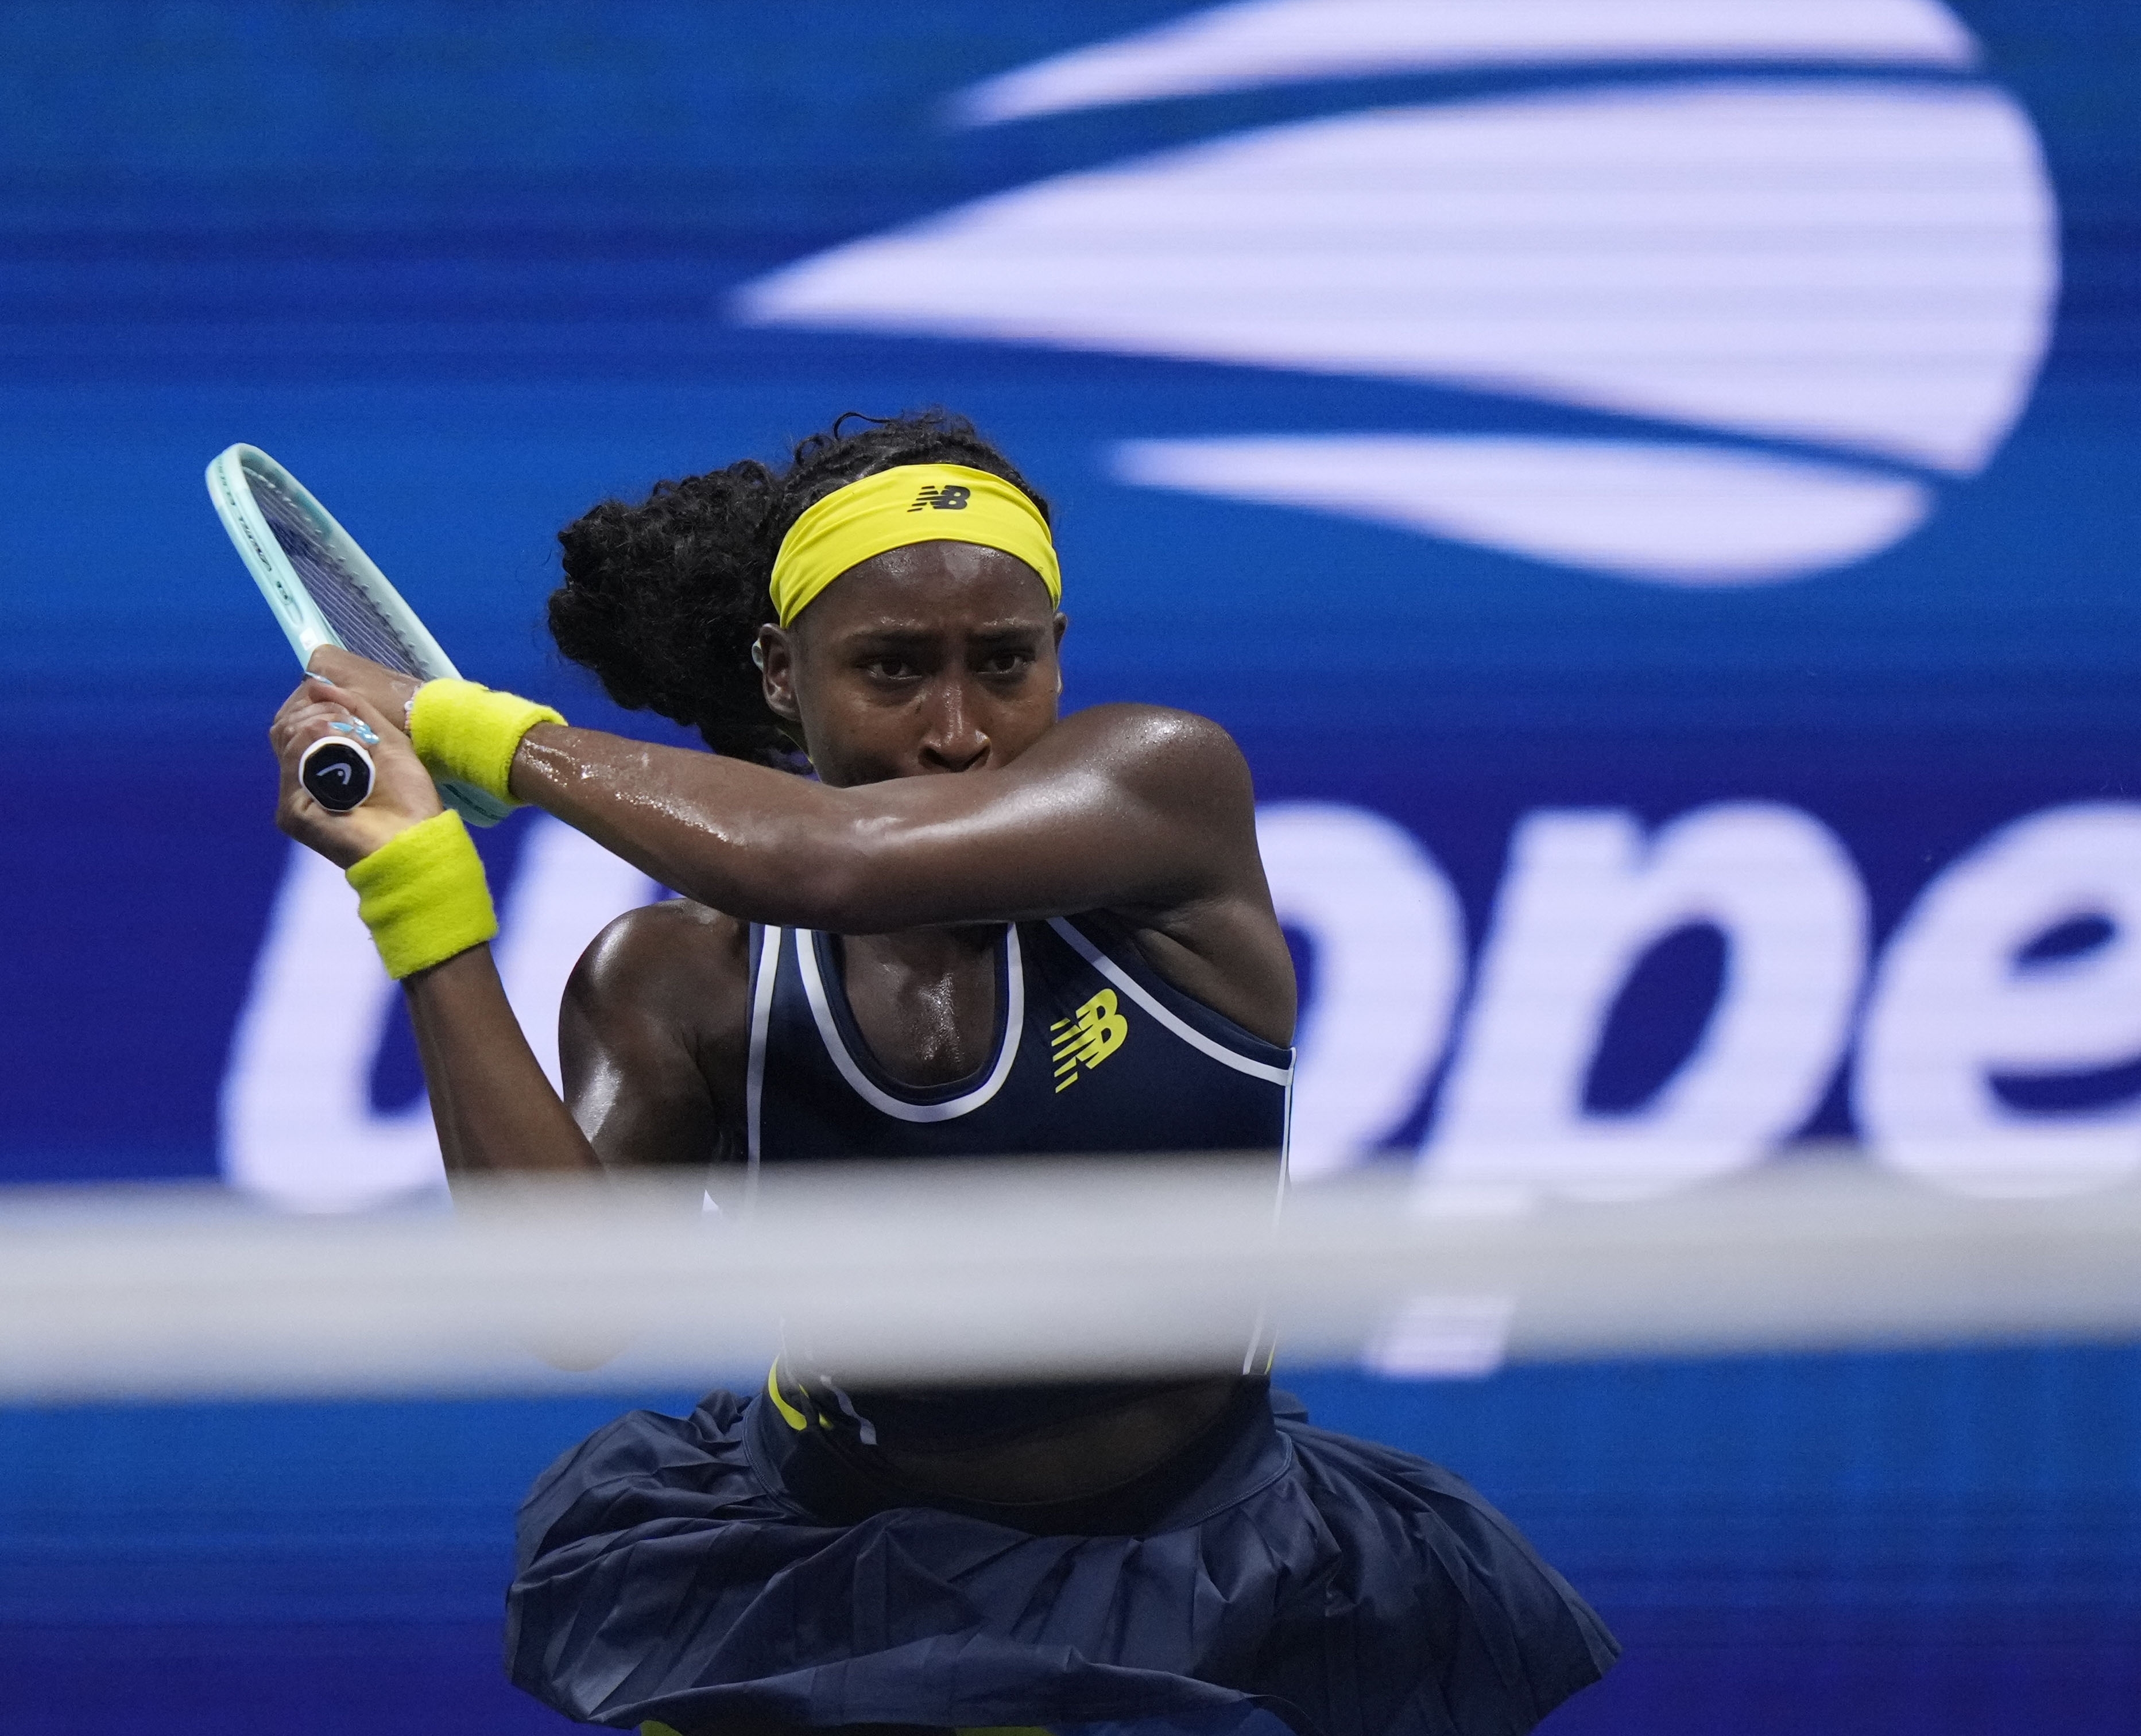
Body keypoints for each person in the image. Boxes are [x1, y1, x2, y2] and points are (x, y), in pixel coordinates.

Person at [267, 409, 1617, 1736]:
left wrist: (479, 730)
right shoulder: (676, 981)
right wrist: (419, 891)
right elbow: (570, 1307)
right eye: (896, 670)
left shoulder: (1166, 794)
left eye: (1005, 664)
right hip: (842, 1577)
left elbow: (827, 865)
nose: (961, 729)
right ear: (781, 674)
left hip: (1221, 1568)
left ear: (1061, 659)